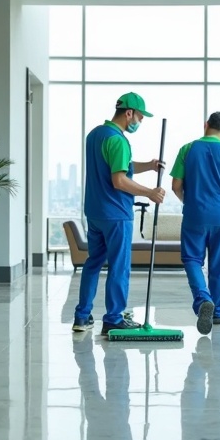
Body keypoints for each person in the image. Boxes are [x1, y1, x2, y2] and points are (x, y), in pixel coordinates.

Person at [72, 92, 166, 336]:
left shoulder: (95, 135)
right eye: (140, 117)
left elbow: (120, 167)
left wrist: (150, 165)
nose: (140, 122)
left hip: (95, 212)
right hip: (116, 213)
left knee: (93, 263)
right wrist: (150, 193)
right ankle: (113, 319)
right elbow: (119, 179)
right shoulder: (119, 140)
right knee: (119, 266)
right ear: (129, 113)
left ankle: (82, 317)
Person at [170, 111, 220, 334]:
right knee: (219, 265)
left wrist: (190, 201)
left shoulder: (187, 149)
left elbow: (176, 186)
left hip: (194, 214)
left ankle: (203, 298)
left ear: (205, 125)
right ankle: (219, 313)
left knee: (192, 259)